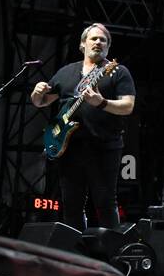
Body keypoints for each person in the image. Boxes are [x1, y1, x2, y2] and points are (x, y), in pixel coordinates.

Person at [30, 23, 137, 231]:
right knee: (71, 204)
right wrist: (36, 93)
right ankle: (76, 252)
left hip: (103, 147)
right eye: (94, 39)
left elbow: (128, 106)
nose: (98, 42)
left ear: (108, 47)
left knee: (105, 203)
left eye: (103, 40)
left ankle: (110, 253)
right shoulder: (65, 72)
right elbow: (42, 102)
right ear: (82, 44)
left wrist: (101, 102)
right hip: (70, 148)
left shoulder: (116, 71)